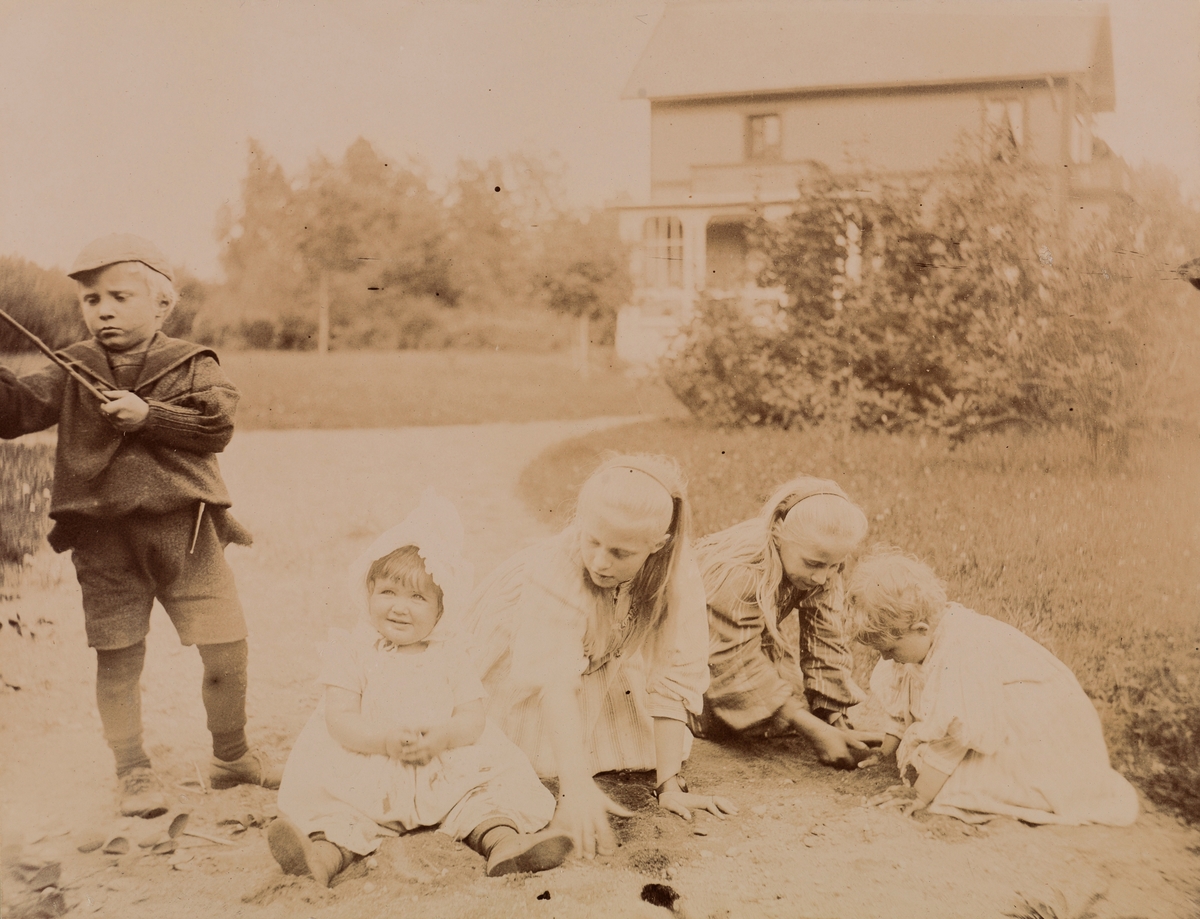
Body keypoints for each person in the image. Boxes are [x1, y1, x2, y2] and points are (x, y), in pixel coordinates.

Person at [0, 234, 278, 818]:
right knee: (118, 656)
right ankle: (132, 771)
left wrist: (150, 415)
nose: (101, 310)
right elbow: (15, 412)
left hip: (189, 531)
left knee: (226, 647)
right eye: (90, 299)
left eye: (118, 296)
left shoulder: (191, 363)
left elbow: (215, 427)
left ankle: (232, 757)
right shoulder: (72, 367)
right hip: (104, 542)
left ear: (161, 304)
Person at [270, 492, 570, 885]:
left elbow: (473, 717)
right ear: (369, 591)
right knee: (344, 812)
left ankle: (504, 846)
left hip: (441, 764)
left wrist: (445, 735)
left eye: (417, 597)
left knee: (480, 800)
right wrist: (381, 740)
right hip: (371, 762)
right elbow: (339, 717)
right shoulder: (354, 652)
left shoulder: (451, 655)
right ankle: (320, 860)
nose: (399, 607)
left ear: (441, 610)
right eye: (388, 592)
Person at [464, 454, 737, 860]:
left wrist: (669, 785)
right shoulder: (555, 567)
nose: (600, 561)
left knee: (643, 739)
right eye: (591, 541)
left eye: (620, 552)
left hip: (602, 652)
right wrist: (574, 786)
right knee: (495, 750)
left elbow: (675, 673)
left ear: (656, 545)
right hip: (532, 654)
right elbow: (553, 679)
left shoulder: (677, 574)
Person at [849, 549, 1139, 825]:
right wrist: (886, 751)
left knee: (956, 787)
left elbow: (957, 734)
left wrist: (920, 794)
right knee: (927, 762)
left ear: (921, 629)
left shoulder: (961, 650)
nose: (885, 658)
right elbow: (905, 698)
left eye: (889, 649)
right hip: (992, 718)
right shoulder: (917, 645)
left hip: (1036, 729)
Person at [694, 476, 880, 768]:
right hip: (693, 647)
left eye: (835, 566)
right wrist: (810, 728)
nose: (823, 577)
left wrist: (833, 717)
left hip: (742, 638)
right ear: (778, 532)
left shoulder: (821, 560)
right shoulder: (741, 570)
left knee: (786, 701)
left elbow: (826, 636)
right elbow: (729, 661)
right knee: (719, 719)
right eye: (814, 564)